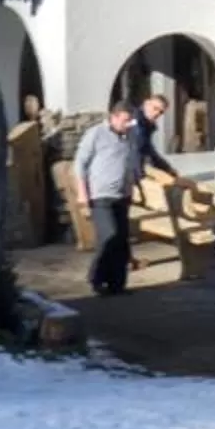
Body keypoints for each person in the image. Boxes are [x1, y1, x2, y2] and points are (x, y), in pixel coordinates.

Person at [72, 103, 141, 297]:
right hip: (100, 195)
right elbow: (80, 164)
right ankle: (96, 277)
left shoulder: (130, 136)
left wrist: (134, 184)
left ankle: (117, 284)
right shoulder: (96, 134)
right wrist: (82, 193)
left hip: (122, 194)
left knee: (121, 240)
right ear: (114, 117)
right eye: (125, 120)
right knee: (109, 236)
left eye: (130, 121)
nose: (128, 124)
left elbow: (131, 161)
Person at [131, 92, 186, 189]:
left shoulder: (145, 125)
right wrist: (139, 178)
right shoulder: (135, 122)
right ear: (146, 103)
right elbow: (134, 151)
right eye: (155, 108)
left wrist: (168, 168)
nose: (157, 113)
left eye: (160, 112)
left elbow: (150, 152)